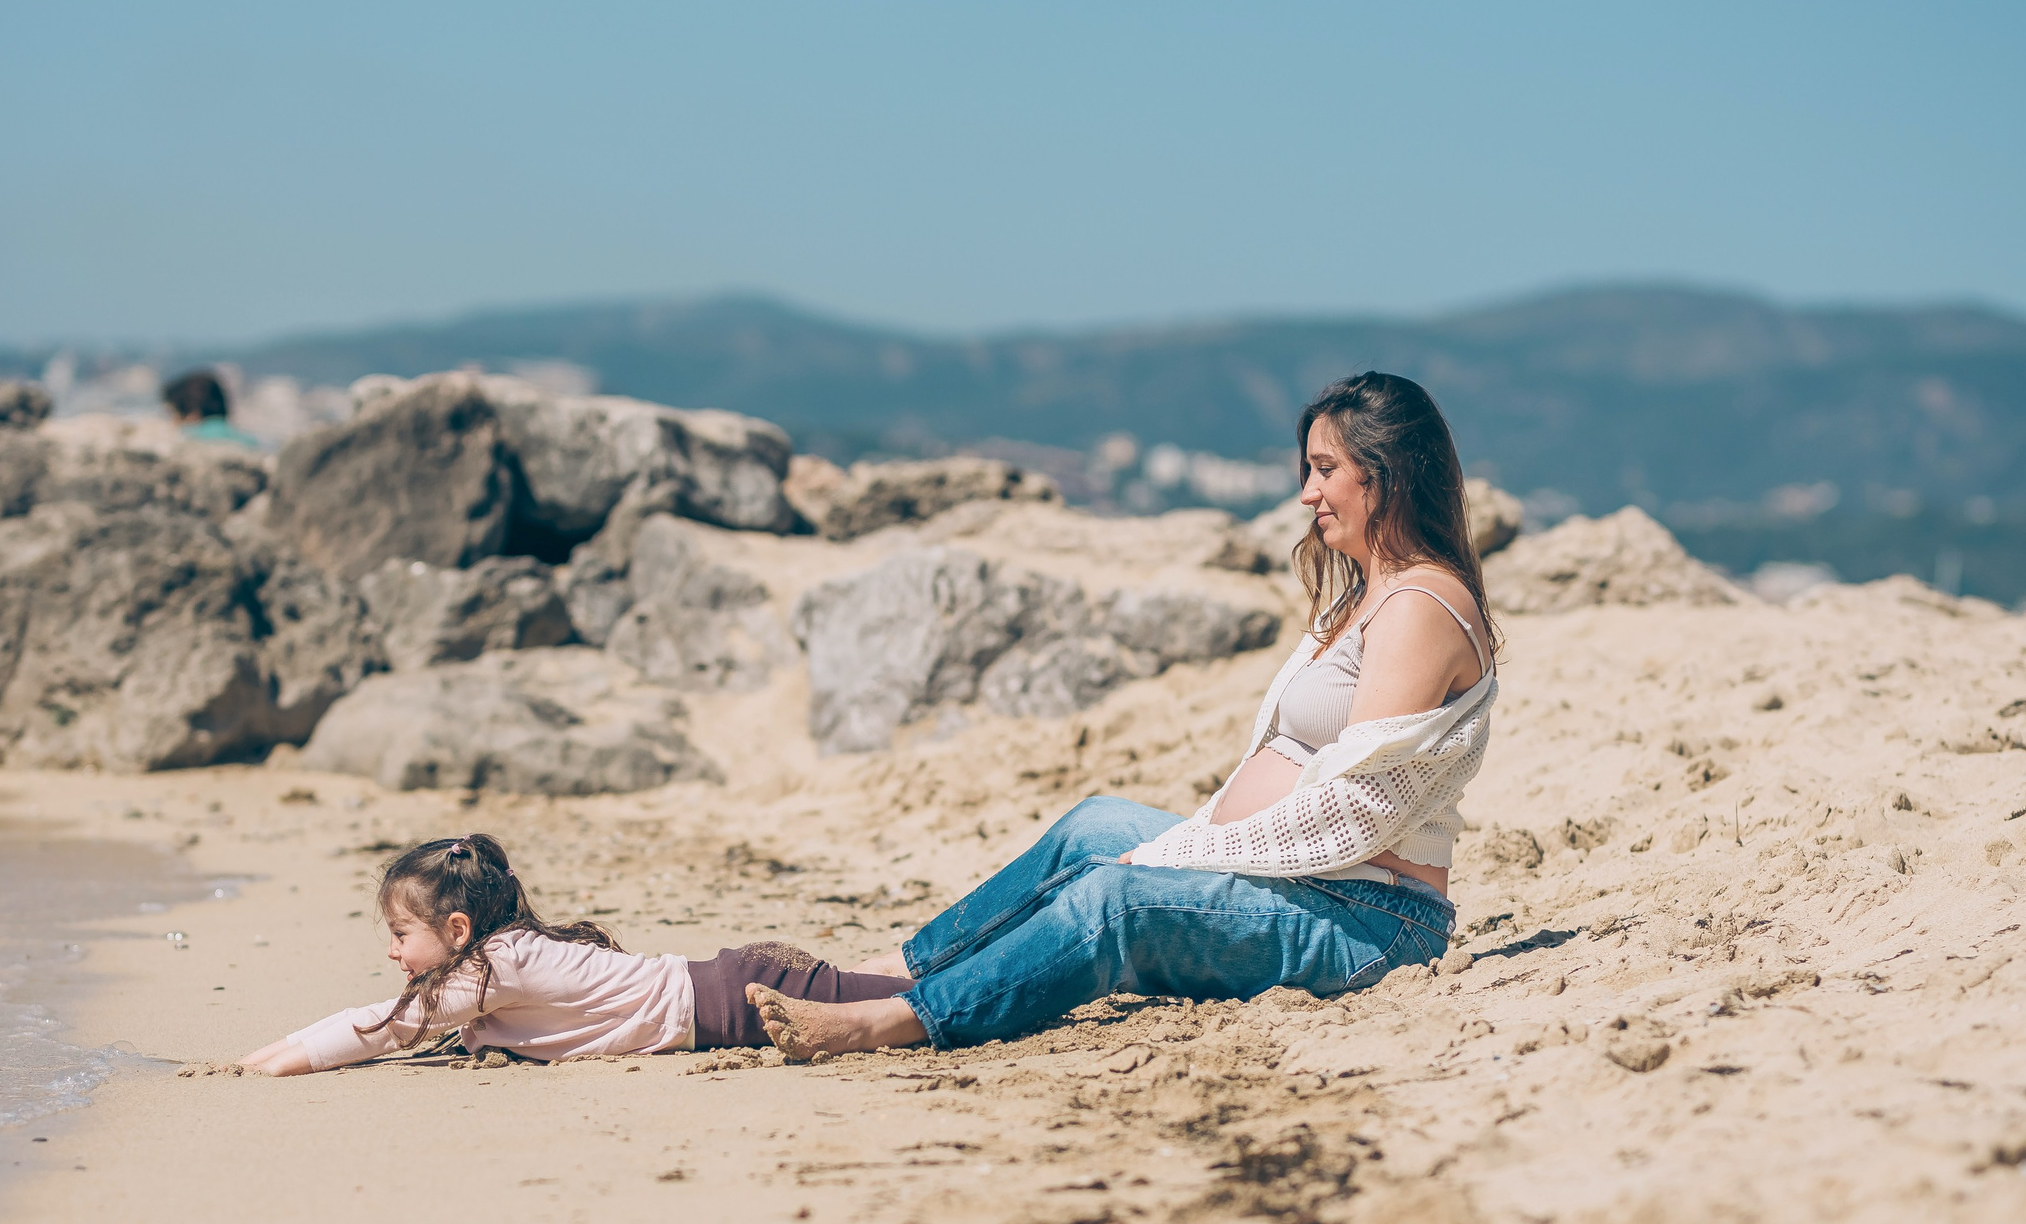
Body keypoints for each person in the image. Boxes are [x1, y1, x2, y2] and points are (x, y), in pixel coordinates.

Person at [751, 371, 1499, 1060]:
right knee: (1096, 825)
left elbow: (1356, 809)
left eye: (1325, 469)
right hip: (1315, 885)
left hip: (1371, 921)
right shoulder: (1370, 593)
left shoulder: (1421, 606)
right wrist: (1192, 841)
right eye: (1307, 469)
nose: (1307, 494)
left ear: (1387, 473)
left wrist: (1186, 854)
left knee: (1115, 898)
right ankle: (890, 971)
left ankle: (892, 1020)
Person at [234, 834, 909, 1073]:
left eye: (400, 934)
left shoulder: (492, 967)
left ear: (458, 929)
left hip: (738, 999)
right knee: (884, 977)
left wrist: (262, 1066)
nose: (392, 951)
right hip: (736, 980)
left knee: (907, 1000)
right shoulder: (504, 955)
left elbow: (385, 1026)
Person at [161, 369, 261, 448]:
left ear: (193, 414)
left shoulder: (188, 438)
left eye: (173, 413)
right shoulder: (249, 440)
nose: (172, 421)